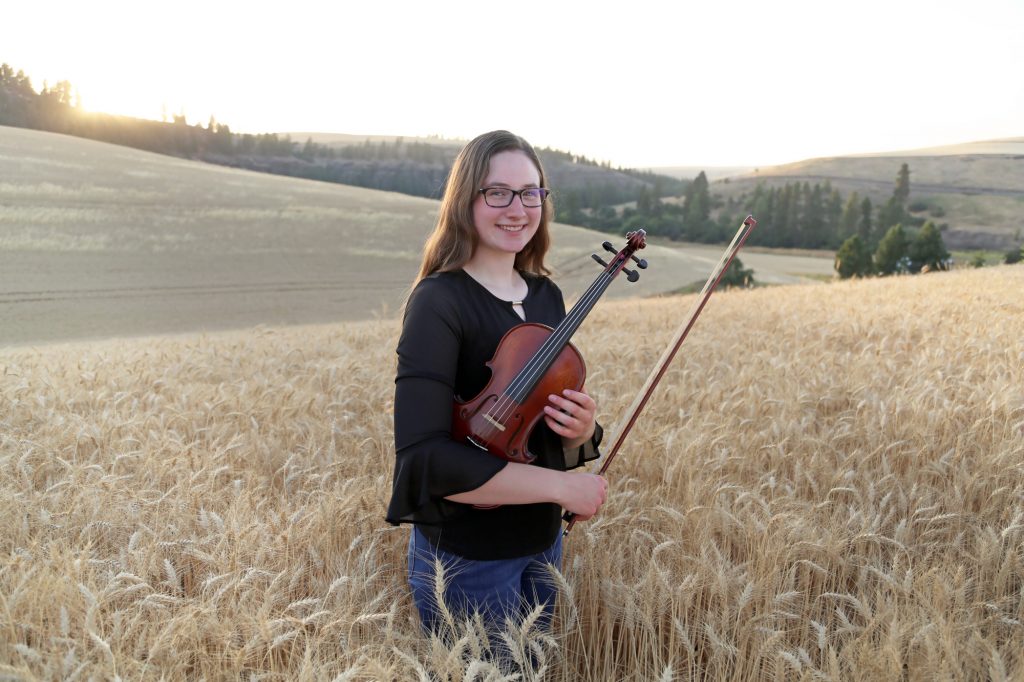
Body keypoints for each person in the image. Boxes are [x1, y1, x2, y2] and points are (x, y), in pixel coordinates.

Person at [385, 130, 609, 636]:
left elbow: (537, 437)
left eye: (531, 192)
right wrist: (561, 487)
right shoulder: (439, 302)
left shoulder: (546, 297)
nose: (518, 208)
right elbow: (425, 459)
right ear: (467, 200)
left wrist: (580, 432)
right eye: (498, 192)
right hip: (469, 562)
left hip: (543, 544)